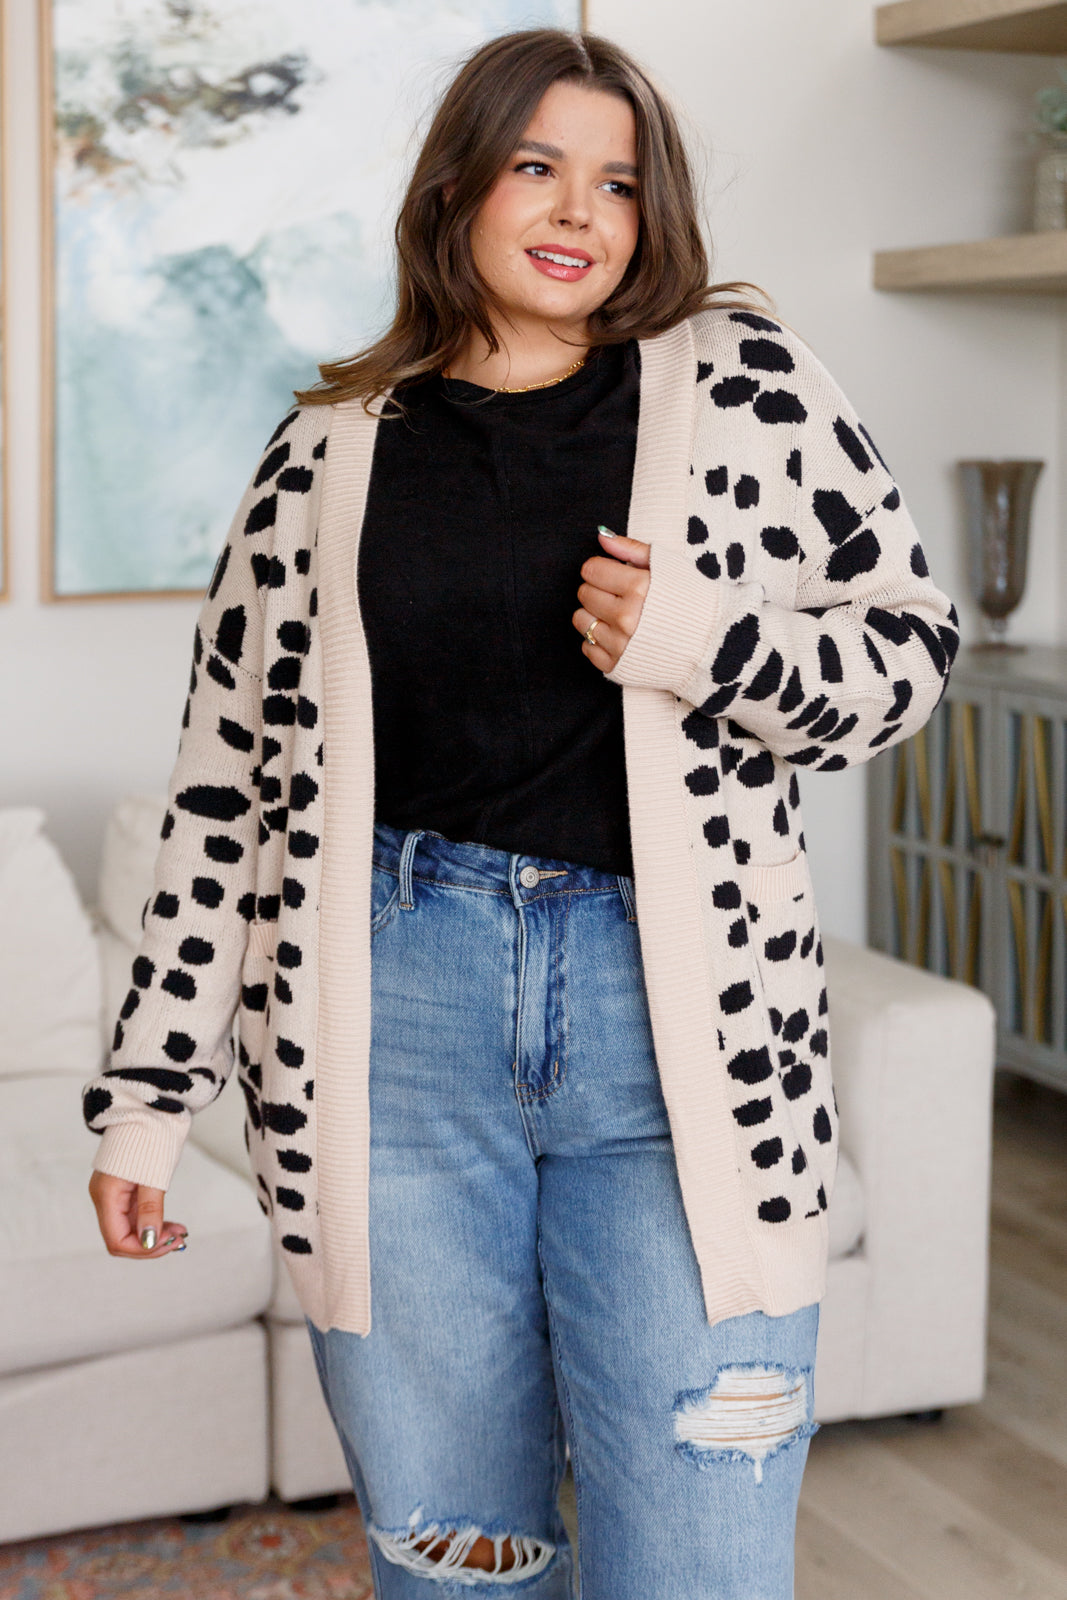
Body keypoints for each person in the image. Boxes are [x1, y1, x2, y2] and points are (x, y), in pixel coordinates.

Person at [84, 27, 958, 1599]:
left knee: (699, 1563)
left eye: (617, 181)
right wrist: (149, 1101)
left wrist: (707, 641)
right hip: (390, 1031)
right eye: (536, 166)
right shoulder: (326, 450)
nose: (578, 211)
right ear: (458, 189)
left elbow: (909, 658)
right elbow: (224, 791)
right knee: (459, 1562)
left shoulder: (743, 385)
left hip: (680, 1037)